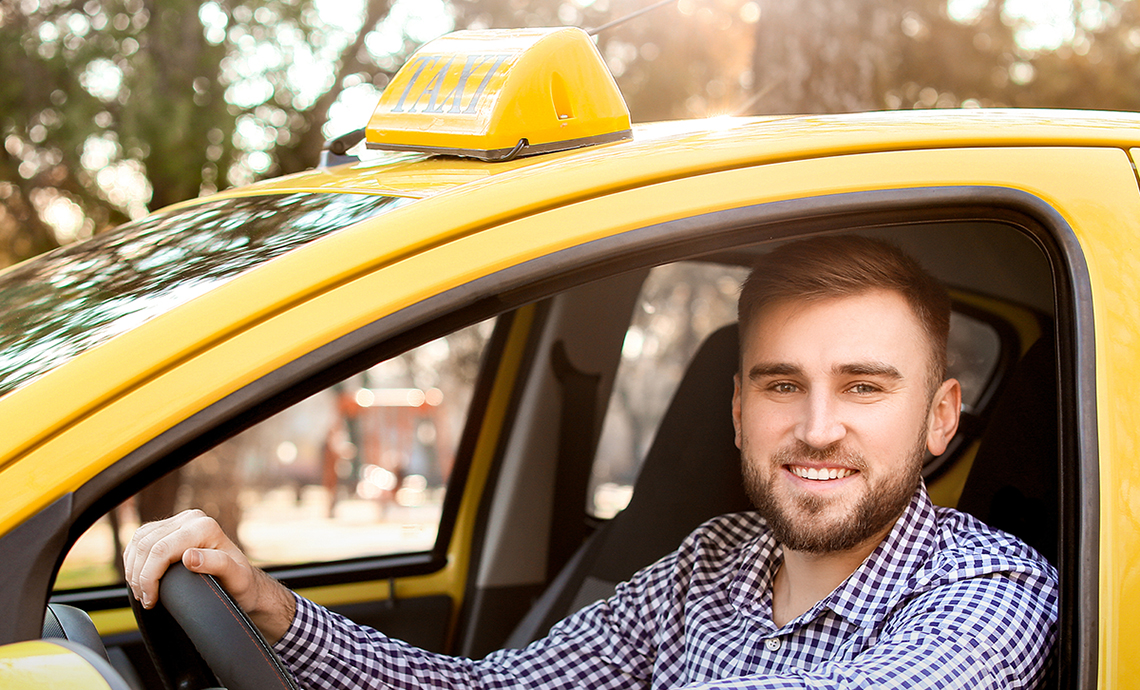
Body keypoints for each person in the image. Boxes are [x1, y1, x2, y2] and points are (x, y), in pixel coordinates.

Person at [125, 235, 1058, 689]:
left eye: (864, 388)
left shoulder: (995, 591)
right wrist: (272, 609)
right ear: (736, 412)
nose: (817, 428)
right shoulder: (710, 564)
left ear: (940, 419)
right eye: (780, 386)